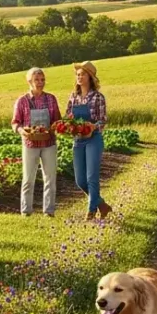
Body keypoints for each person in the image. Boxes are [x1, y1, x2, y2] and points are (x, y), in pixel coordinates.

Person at [11, 67, 61, 217]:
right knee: (28, 179)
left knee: (50, 178)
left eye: (42, 80)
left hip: (49, 143)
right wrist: (22, 131)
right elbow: (15, 123)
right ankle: (26, 211)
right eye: (36, 80)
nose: (40, 83)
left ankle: (49, 211)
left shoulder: (51, 99)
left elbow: (57, 120)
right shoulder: (22, 101)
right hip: (30, 144)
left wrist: (53, 128)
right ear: (29, 82)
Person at [68, 61, 112, 220]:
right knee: (80, 180)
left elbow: (102, 120)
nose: (79, 77)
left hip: (93, 139)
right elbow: (68, 117)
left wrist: (93, 127)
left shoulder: (98, 97)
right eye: (77, 74)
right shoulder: (73, 97)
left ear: (90, 77)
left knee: (91, 176)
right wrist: (68, 125)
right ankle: (102, 205)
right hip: (78, 140)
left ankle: (91, 211)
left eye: (83, 74)